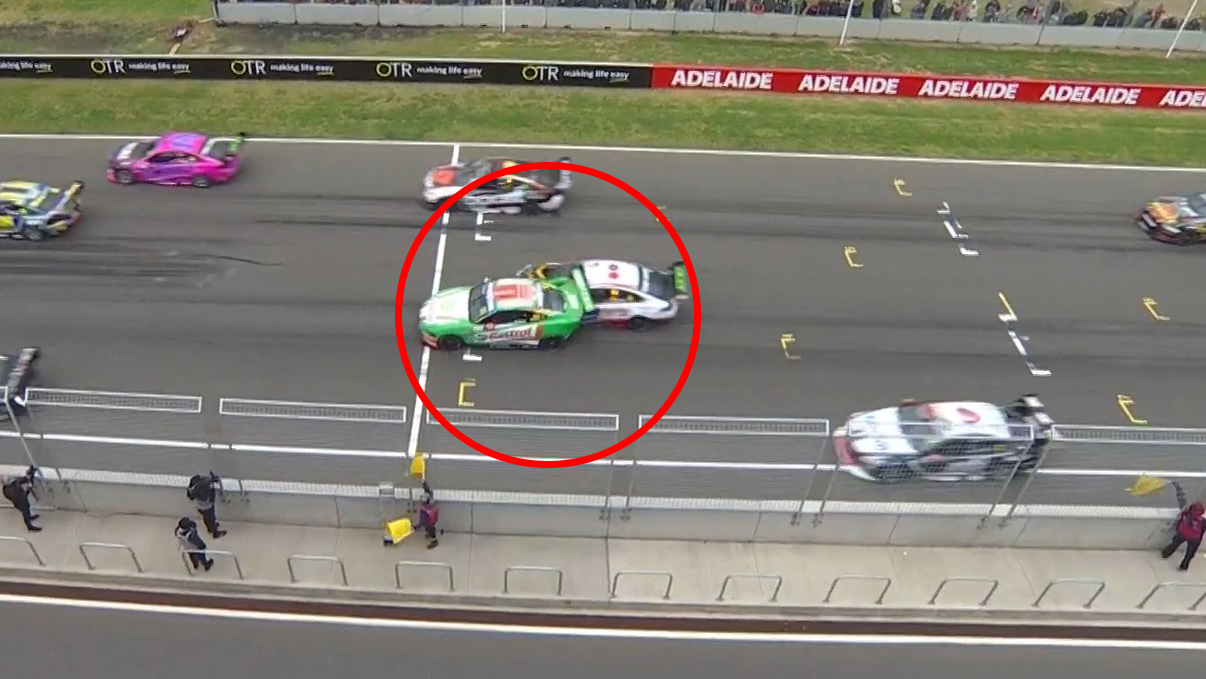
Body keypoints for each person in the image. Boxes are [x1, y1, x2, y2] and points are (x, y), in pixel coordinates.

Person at [1162, 481, 1205, 572]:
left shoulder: (1188, 511)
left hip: (1183, 532)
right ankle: (1183, 566)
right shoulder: (1202, 519)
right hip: (1194, 538)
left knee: (1174, 543)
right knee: (1190, 553)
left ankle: (1166, 554)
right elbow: (1202, 530)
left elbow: (1182, 514)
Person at [186, 472, 227, 539]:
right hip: (207, 506)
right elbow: (205, 485)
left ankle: (209, 528)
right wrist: (213, 480)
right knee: (211, 519)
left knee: (206, 518)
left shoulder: (192, 489)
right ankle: (215, 533)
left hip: (199, 506)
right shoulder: (202, 489)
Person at [2, 466, 41, 532]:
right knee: (25, 510)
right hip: (20, 501)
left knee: (26, 509)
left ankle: (29, 518)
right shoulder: (14, 489)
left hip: (19, 499)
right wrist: (27, 488)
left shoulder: (6, 489)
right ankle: (29, 526)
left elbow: (22, 481)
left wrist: (29, 475)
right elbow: (23, 484)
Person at [417, 481, 442, 550]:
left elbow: (430, 515)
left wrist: (420, 524)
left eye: (423, 500)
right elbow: (428, 491)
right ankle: (429, 533)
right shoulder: (429, 497)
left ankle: (434, 540)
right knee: (427, 526)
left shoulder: (430, 506)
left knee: (430, 527)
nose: (422, 501)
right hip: (428, 516)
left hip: (431, 518)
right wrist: (424, 484)